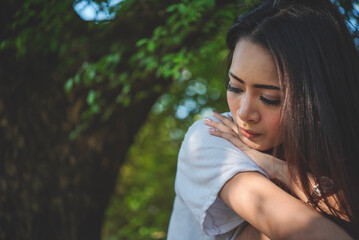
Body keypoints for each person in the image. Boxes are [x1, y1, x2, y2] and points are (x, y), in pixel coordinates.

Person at [167, 0, 359, 239]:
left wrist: (276, 168)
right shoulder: (212, 138)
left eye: (269, 98)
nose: (244, 113)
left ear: (317, 100)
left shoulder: (339, 151)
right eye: (235, 87)